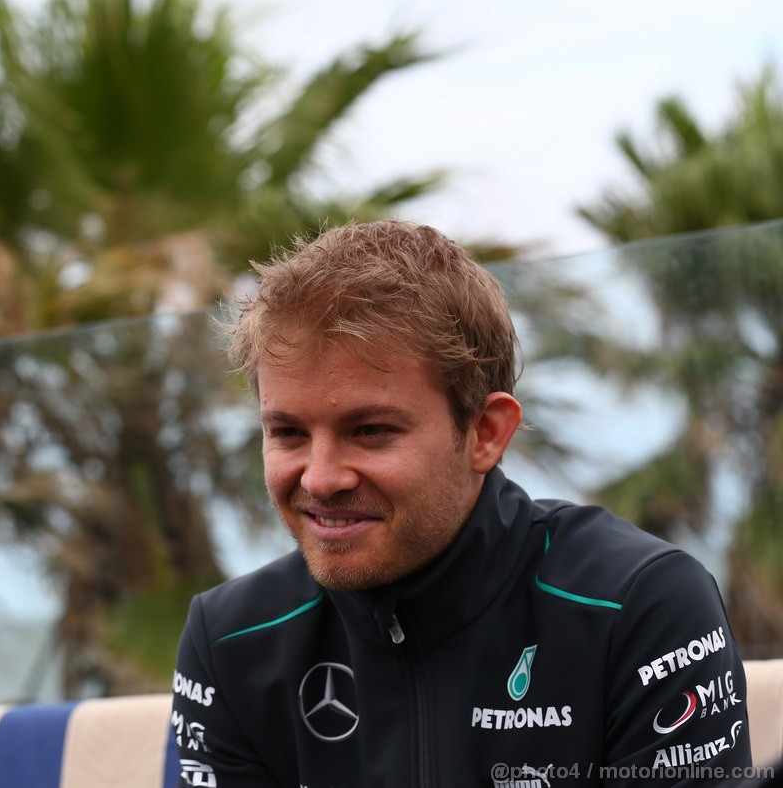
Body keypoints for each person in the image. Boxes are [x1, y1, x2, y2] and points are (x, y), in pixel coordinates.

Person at [170, 221, 752, 786]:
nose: (320, 479)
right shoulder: (228, 641)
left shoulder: (640, 605)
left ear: (486, 433)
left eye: (370, 430)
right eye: (288, 433)